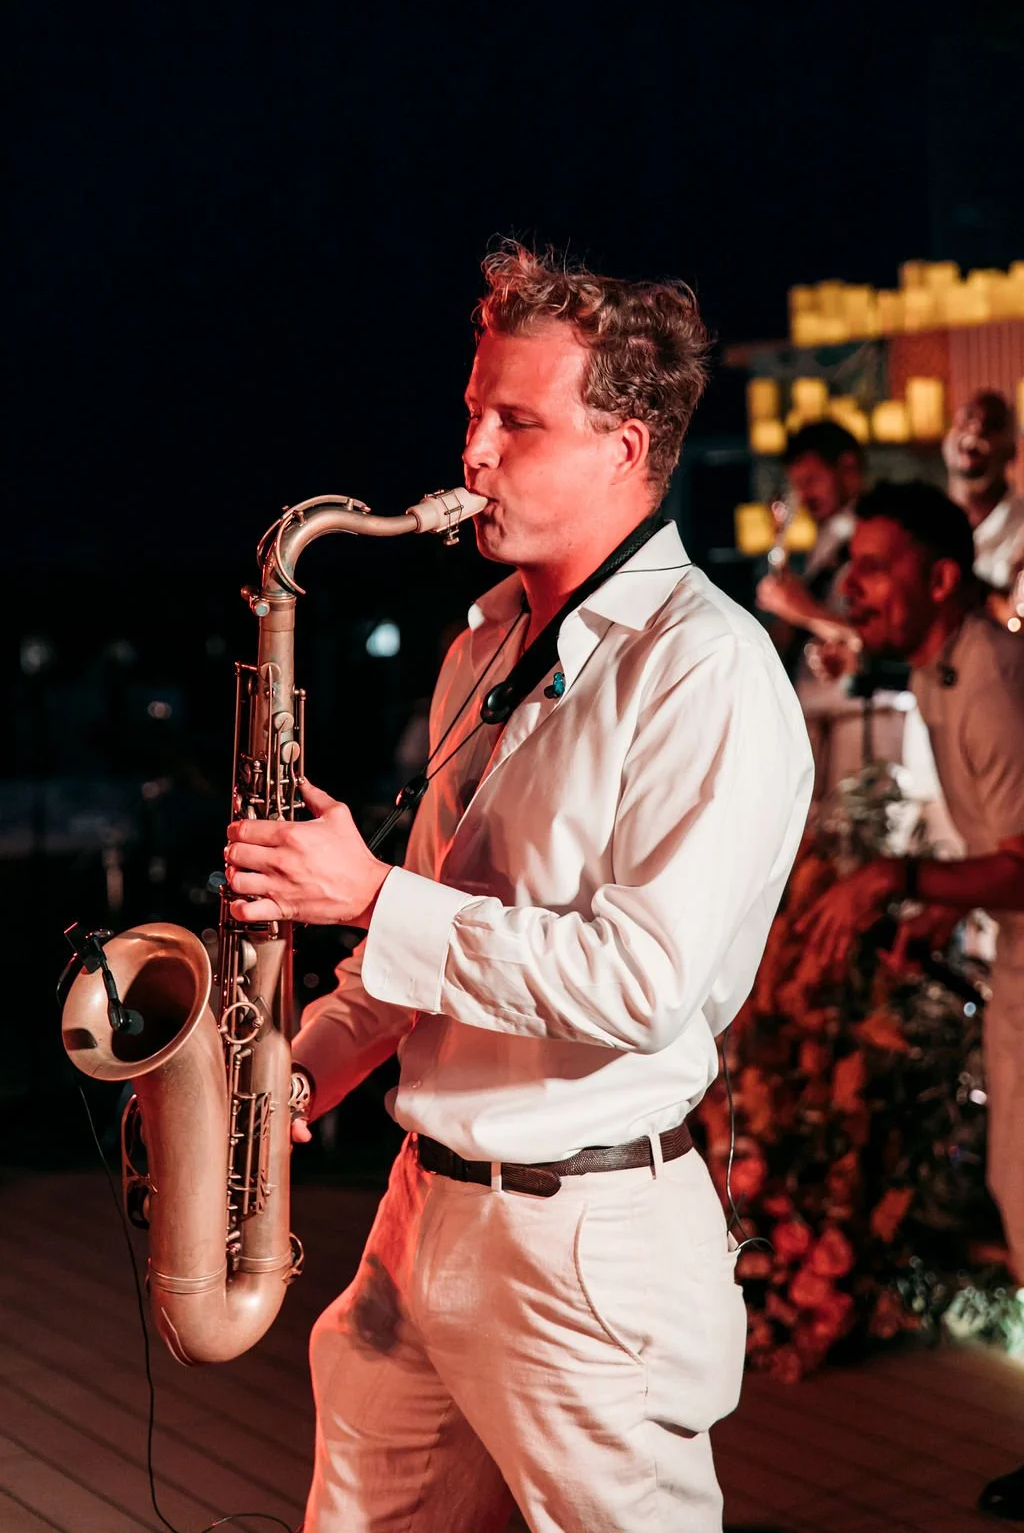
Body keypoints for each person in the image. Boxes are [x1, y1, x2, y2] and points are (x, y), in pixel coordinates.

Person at [224, 243, 813, 1533]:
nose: (474, 453)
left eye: (518, 422)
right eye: (473, 412)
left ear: (627, 444)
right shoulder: (486, 639)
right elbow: (450, 921)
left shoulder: (706, 673)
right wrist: (312, 1063)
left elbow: (642, 984)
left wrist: (370, 896)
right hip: (421, 1211)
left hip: (583, 1246)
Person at [795, 479, 1024, 1521]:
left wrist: (899, 883)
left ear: (939, 577)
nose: (852, 583)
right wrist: (935, 911)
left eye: (875, 565)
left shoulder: (987, 680)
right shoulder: (939, 666)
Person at [754, 419, 866, 652]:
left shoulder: (872, 533)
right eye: (797, 485)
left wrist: (802, 610)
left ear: (847, 466)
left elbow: (878, 640)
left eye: (810, 480)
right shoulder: (828, 535)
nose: (803, 495)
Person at [944, 388, 1024, 602]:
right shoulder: (922, 522)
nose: (977, 428)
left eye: (993, 425)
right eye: (967, 418)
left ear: (1012, 451)